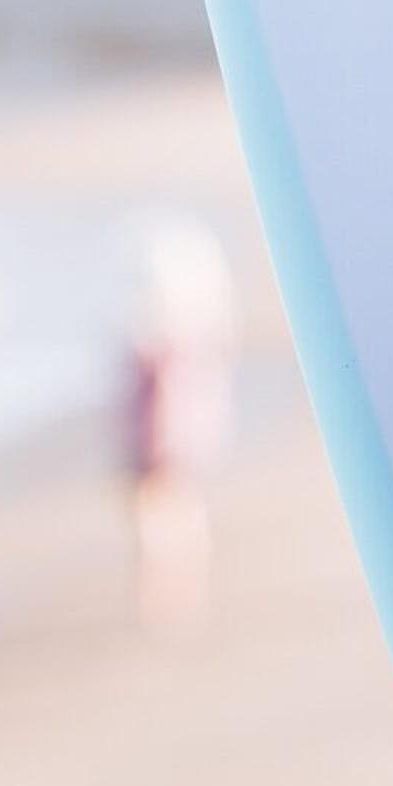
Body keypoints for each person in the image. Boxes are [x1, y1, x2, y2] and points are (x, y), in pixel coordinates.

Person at [119, 212, 239, 629]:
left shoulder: (167, 342)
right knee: (172, 506)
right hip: (174, 430)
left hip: (167, 433)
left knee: (163, 508)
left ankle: (174, 588)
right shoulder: (192, 333)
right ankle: (179, 586)